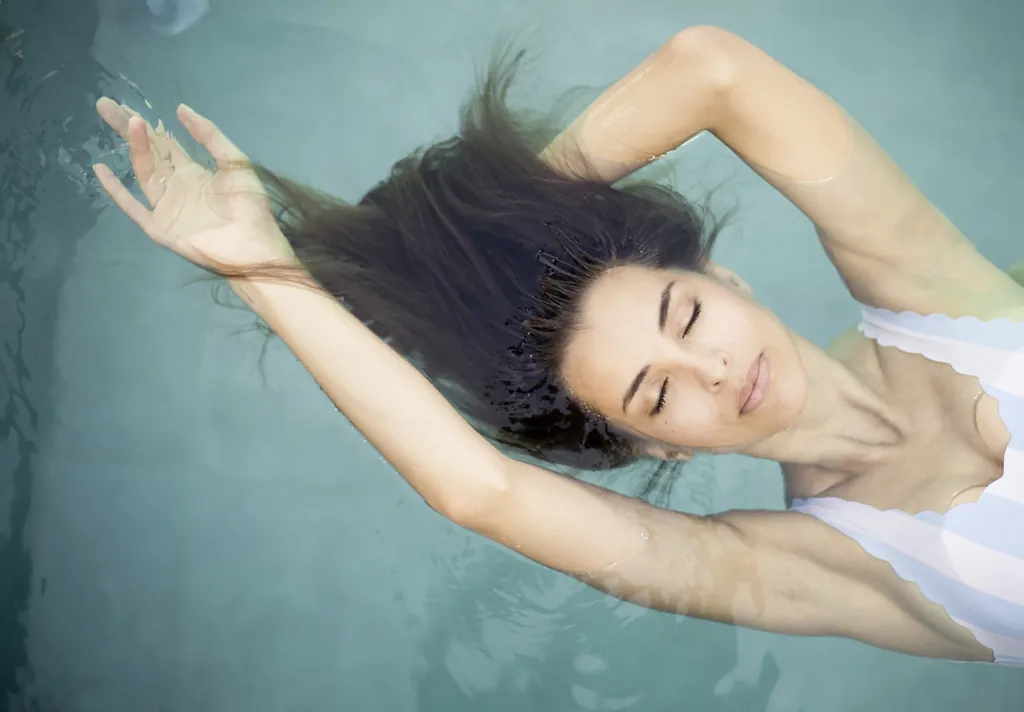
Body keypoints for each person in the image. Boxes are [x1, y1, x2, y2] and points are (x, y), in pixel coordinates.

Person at [92, 26, 1024, 665]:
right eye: (657, 398)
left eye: (687, 317)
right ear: (658, 444)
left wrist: (513, 220)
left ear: (726, 280)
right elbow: (477, 489)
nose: (710, 370)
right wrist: (263, 270)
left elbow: (712, 69)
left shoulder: (928, 292)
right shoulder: (814, 569)